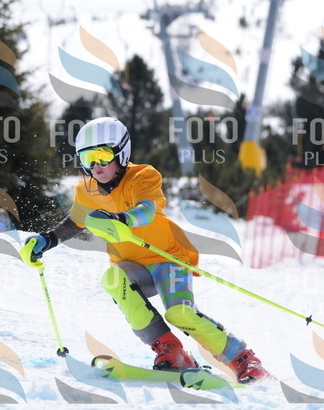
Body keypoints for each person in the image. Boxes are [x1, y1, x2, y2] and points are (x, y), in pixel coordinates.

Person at [20, 117, 269, 384]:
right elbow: (74, 222)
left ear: (121, 152)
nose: (95, 166)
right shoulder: (87, 191)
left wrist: (120, 219)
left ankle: (243, 359)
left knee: (179, 313)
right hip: (132, 266)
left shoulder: (142, 176)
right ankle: (171, 350)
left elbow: (147, 210)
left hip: (167, 259)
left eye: (102, 156)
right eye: (87, 158)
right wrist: (46, 240)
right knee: (113, 278)